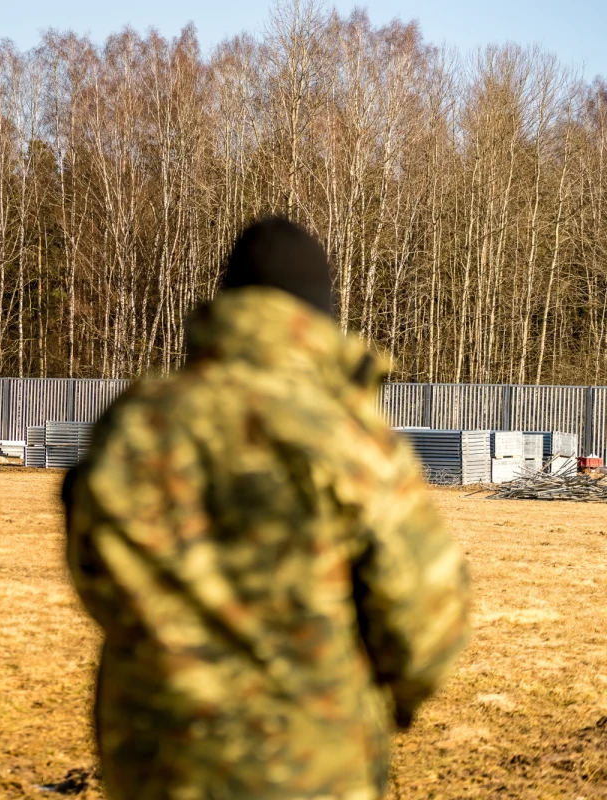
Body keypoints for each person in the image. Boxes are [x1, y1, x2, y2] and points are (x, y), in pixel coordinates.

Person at [63, 217, 470, 800]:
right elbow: (424, 621)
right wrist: (385, 697)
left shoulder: (137, 420)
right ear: (315, 318)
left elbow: (92, 574)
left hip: (157, 756)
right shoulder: (345, 432)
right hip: (310, 762)